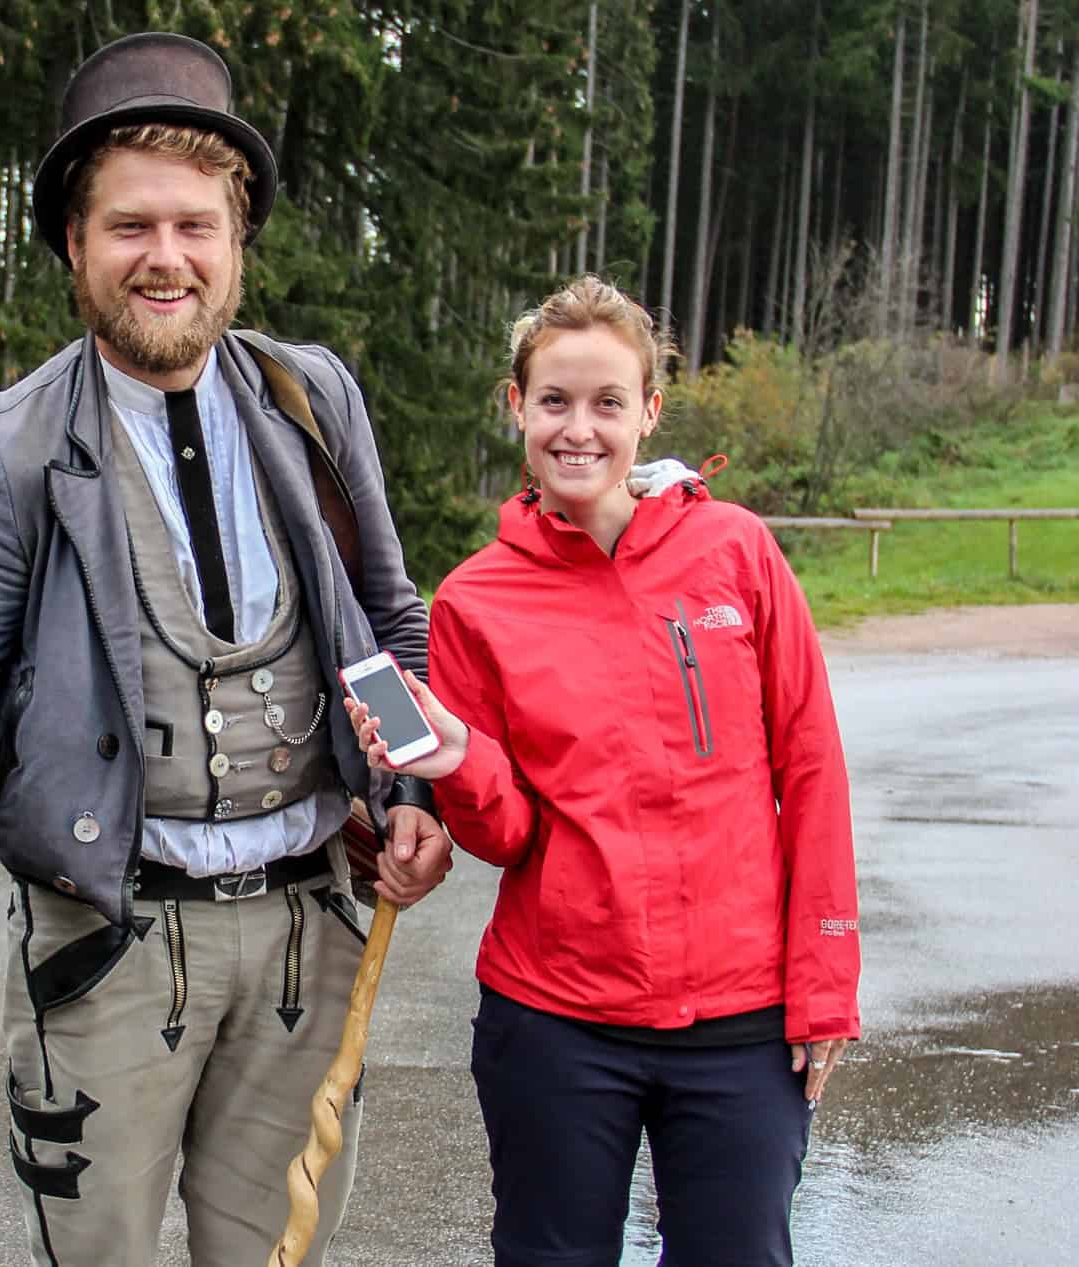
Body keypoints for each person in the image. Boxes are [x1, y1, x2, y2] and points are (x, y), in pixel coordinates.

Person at [0, 31, 453, 1267]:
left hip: (308, 930)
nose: (165, 257)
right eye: (130, 226)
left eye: (196, 225)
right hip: (108, 946)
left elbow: (392, 625)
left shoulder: (315, 400)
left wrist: (405, 789)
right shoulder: (7, 444)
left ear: (237, 244)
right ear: (74, 246)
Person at [346, 275, 861, 1267]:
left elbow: (812, 770)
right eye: (553, 402)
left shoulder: (736, 551)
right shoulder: (473, 600)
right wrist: (456, 761)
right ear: (515, 407)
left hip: (741, 1019)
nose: (578, 429)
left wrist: (825, 982)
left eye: (607, 403)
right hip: (555, 1019)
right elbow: (508, 836)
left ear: (649, 413)